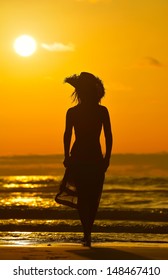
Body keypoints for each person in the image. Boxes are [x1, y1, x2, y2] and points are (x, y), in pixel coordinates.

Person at [55, 72, 112, 247]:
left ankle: (87, 231)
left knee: (88, 195)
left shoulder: (98, 111)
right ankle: (87, 231)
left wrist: (106, 158)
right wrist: (66, 156)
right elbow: (67, 135)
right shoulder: (79, 112)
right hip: (86, 156)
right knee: (90, 195)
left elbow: (109, 136)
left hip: (87, 156)